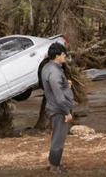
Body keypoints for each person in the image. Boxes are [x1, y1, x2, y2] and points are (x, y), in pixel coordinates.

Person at [41, 42, 74, 174]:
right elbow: (59, 97)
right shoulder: (54, 72)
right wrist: (67, 113)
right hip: (59, 110)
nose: (65, 56)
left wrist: (66, 85)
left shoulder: (48, 67)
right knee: (59, 138)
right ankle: (54, 167)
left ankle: (51, 162)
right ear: (57, 56)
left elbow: (54, 88)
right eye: (63, 54)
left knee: (56, 136)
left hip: (55, 107)